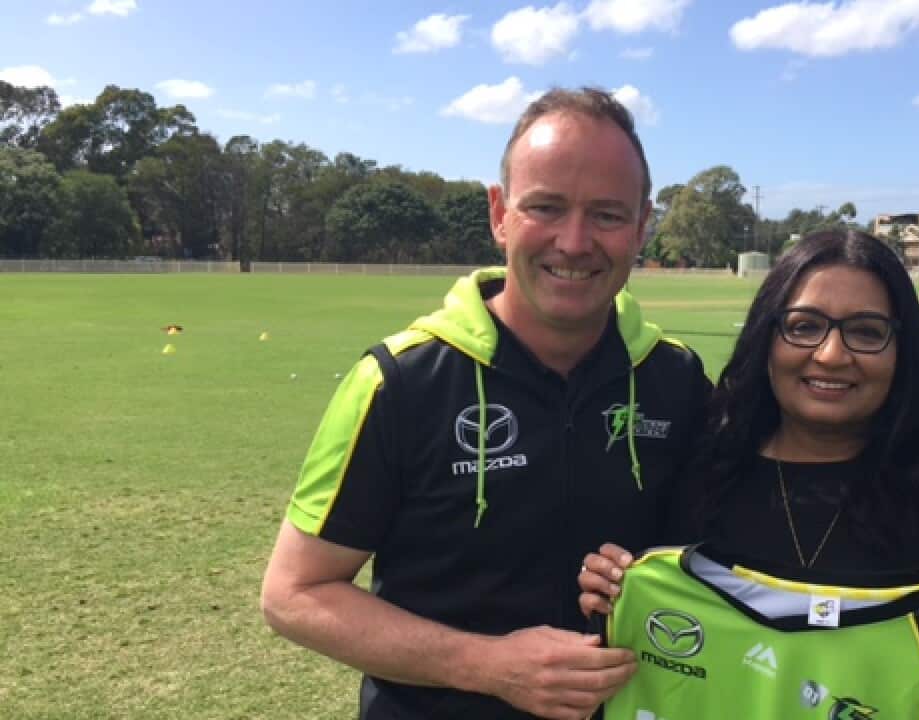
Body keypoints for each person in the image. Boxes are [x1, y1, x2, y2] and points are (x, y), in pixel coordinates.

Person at [261, 87, 710, 720]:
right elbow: (294, 593)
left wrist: (646, 575)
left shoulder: (677, 379)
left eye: (607, 215)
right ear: (500, 213)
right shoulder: (399, 382)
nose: (575, 242)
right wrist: (487, 666)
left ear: (642, 225)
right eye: (546, 207)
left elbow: (719, 561)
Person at [579, 230, 919, 718]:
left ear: (902, 350)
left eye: (866, 332)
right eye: (803, 326)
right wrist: (612, 591)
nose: (831, 355)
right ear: (767, 338)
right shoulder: (697, 478)